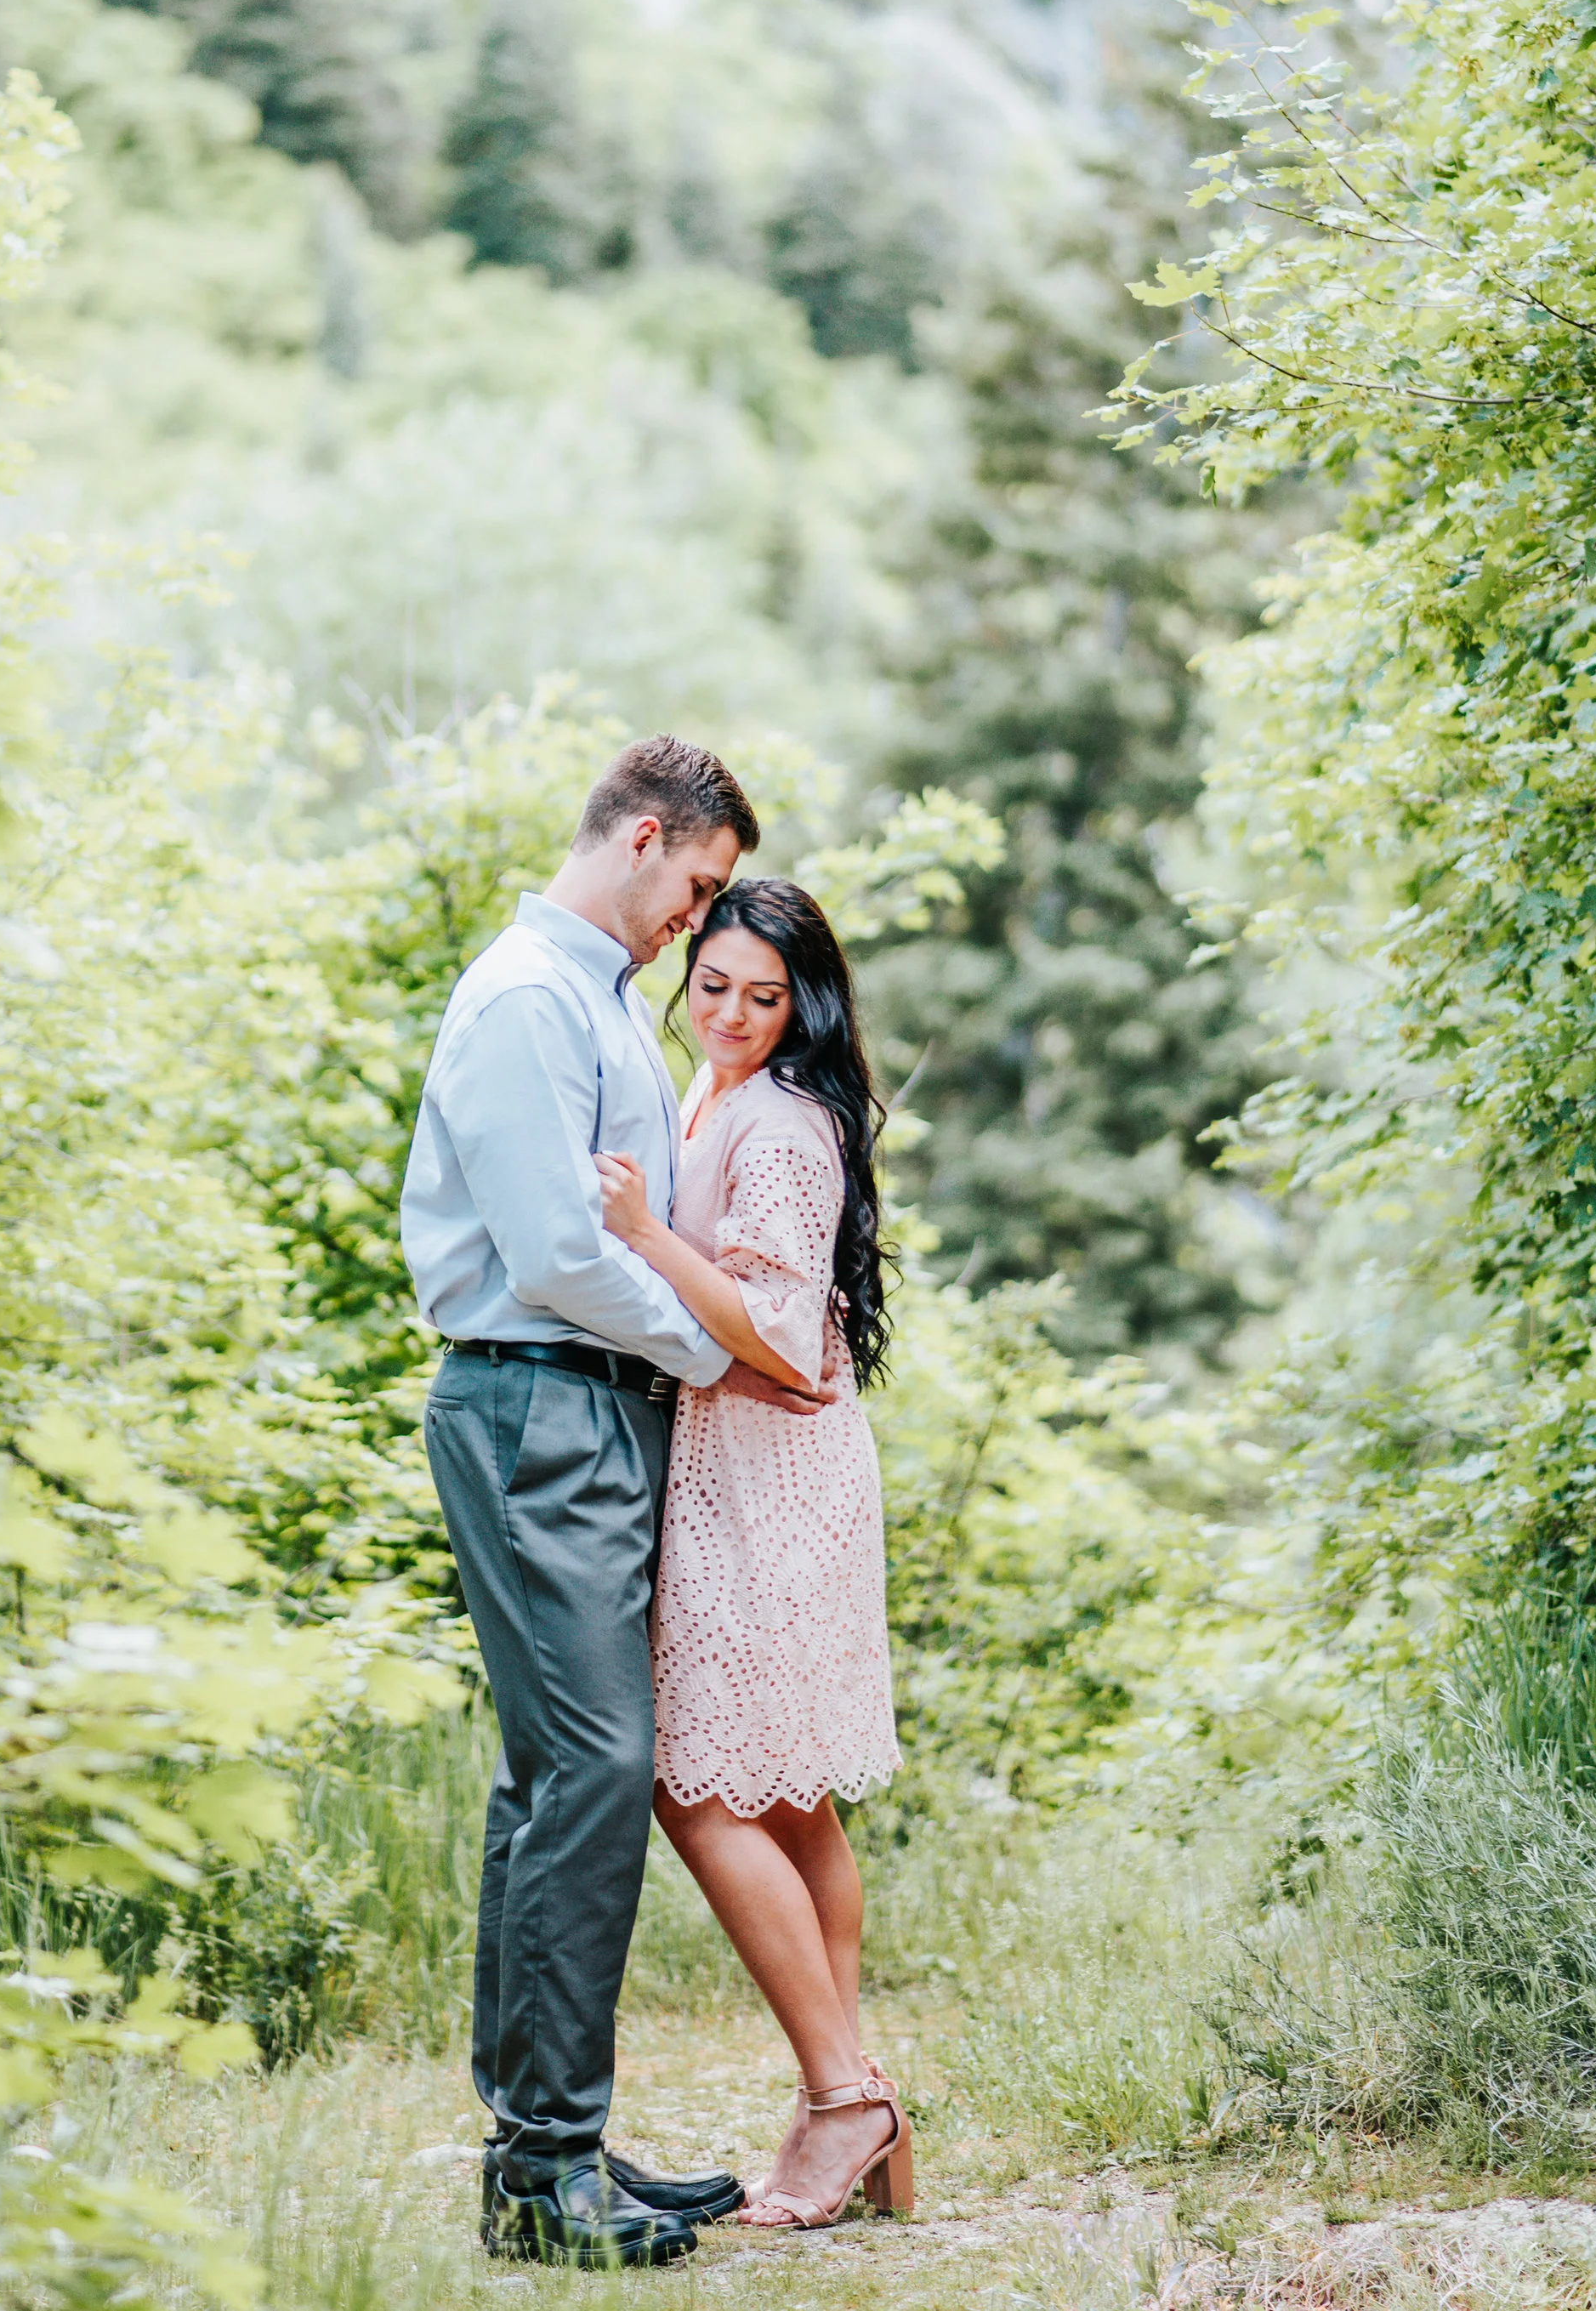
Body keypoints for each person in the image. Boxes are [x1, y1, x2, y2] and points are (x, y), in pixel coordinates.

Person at [401, 735, 831, 2268]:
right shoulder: (529, 996)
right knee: (593, 1768)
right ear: (647, 837)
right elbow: (555, 1254)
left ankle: (547, 2150)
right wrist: (713, 1349)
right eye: (699, 886)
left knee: (559, 1778)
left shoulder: (587, 996)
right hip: (537, 1403)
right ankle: (546, 2172)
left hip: (586, 1408)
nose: (693, 925)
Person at [596, 876, 909, 2232]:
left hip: (771, 1484)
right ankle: (849, 2103)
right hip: (739, 1467)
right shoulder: (711, 1096)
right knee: (786, 1797)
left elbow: (781, 1334)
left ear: (804, 1008)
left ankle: (844, 2099)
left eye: (762, 996)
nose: (728, 1012)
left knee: (699, 1786)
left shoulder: (779, 1122)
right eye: (711, 985)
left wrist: (646, 1235)